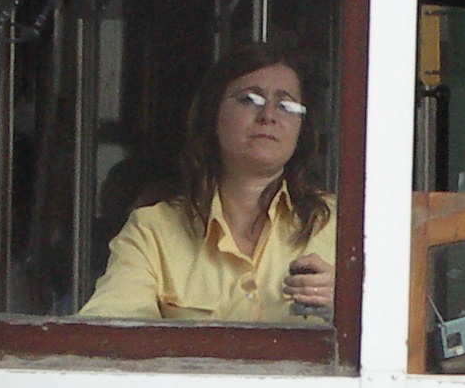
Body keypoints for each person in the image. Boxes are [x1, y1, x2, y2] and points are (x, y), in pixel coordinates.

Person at [82, 40, 335, 323]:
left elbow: (378, 330)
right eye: (250, 100)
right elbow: (107, 336)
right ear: (212, 114)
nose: (268, 116)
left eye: (286, 105)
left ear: (302, 128)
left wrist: (348, 306)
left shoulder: (342, 226)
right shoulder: (154, 230)